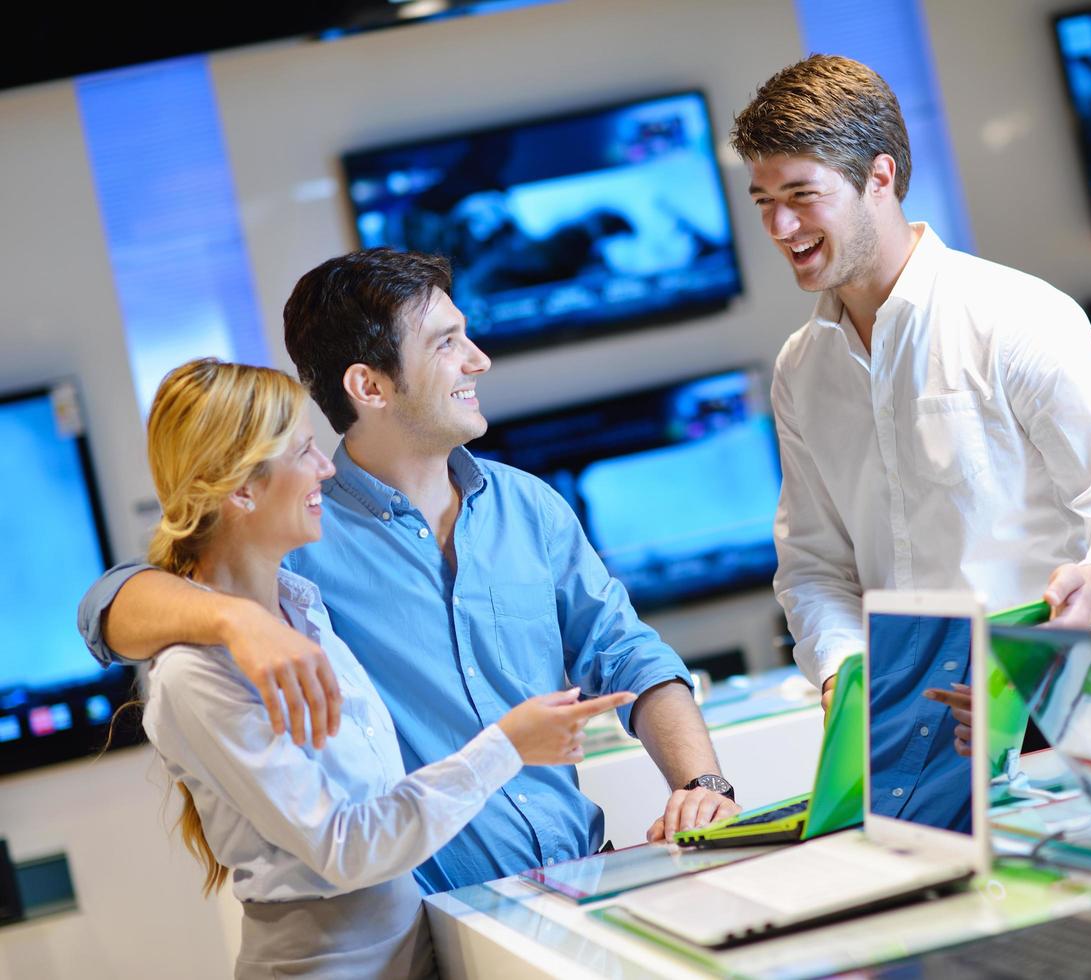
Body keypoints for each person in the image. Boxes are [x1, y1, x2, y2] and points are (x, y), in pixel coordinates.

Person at [79, 250, 738, 892]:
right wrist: (238, 621)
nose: (478, 359)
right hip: (444, 921)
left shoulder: (527, 506)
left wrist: (700, 785)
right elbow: (108, 610)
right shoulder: (296, 537)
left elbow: (627, 653)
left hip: (585, 876)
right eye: (447, 342)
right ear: (369, 386)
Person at [729, 56, 1091, 750]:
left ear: (878, 177)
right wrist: (843, 676)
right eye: (764, 201)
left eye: (801, 194)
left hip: (1055, 675)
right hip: (910, 712)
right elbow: (814, 565)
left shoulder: (1016, 315)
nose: (780, 226)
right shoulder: (800, 369)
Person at [137, 358, 633, 977]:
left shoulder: (305, 608)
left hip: (417, 948)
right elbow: (344, 848)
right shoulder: (196, 675)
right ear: (241, 489)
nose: (325, 467)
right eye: (303, 452)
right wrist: (507, 746)